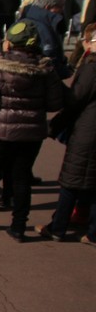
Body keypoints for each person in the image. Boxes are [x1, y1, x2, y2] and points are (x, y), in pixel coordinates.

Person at [0, 20, 65, 241]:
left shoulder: (0, 68)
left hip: (0, 130)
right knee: (21, 178)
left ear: (11, 43)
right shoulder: (46, 70)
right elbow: (56, 102)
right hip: (32, 132)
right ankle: (18, 226)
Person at [36, 27, 96, 243]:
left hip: (88, 131)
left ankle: (58, 227)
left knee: (71, 181)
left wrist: (56, 123)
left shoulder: (92, 68)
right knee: (91, 181)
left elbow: (75, 100)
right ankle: (89, 228)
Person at [21, 0, 72, 79]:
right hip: (39, 78)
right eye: (59, 7)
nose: (61, 10)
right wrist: (64, 71)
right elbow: (49, 55)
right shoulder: (43, 27)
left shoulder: (27, 19)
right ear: (48, 7)